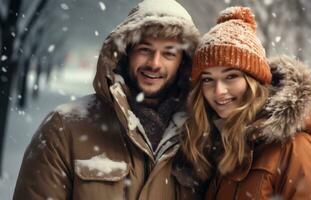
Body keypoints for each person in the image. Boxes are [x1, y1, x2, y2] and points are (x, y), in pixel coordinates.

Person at [13, 0, 201, 199]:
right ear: (125, 52)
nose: (154, 63)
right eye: (145, 49)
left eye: (168, 54)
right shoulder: (65, 127)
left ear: (184, 62)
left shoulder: (200, 134)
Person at [179, 6, 311, 199]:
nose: (218, 91)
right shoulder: (216, 144)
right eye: (208, 79)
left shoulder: (294, 149)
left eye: (231, 76)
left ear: (255, 82)